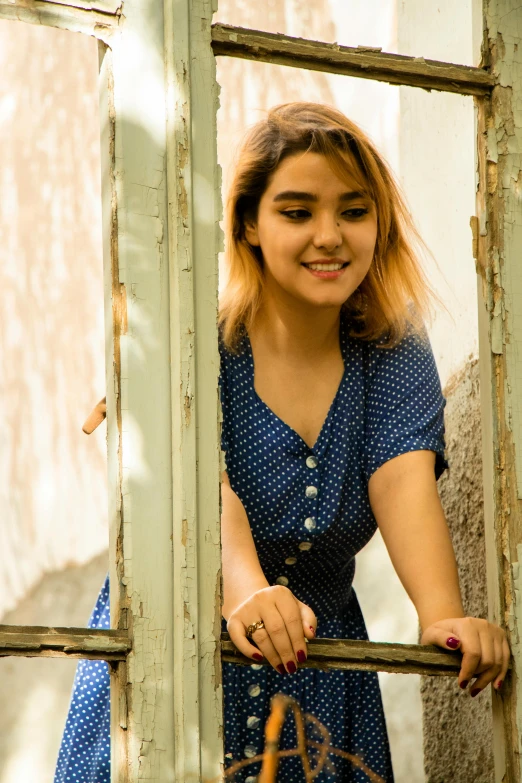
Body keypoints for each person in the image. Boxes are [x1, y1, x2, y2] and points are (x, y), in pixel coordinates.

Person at [55, 102, 510, 783]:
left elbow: (402, 480)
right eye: (297, 212)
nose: (329, 235)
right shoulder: (195, 342)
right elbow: (200, 491)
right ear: (247, 223)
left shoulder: (391, 351)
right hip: (175, 651)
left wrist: (445, 615)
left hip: (323, 677)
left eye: (353, 211)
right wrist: (246, 592)